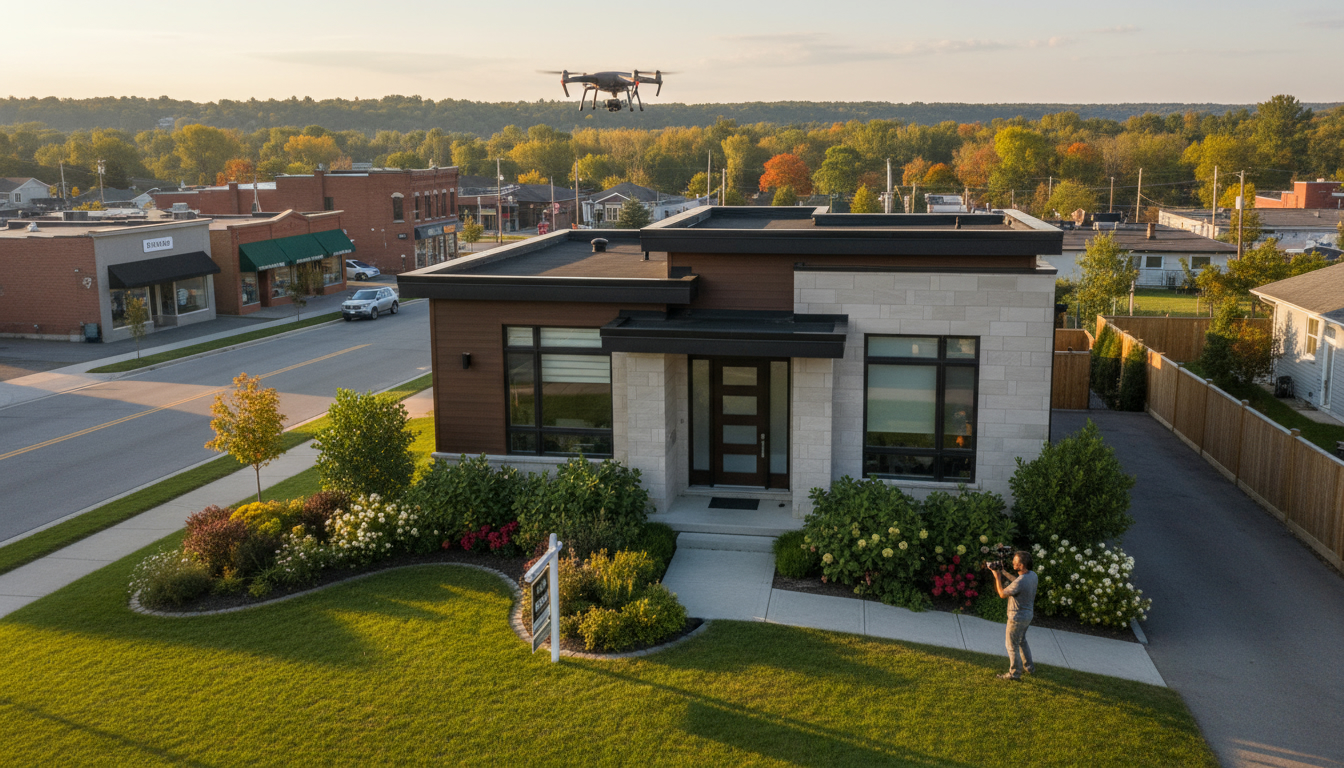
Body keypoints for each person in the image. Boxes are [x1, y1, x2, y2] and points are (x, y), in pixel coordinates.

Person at [989, 550, 1037, 681]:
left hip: (1017, 617)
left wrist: (997, 577)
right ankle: (1029, 667)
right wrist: (1004, 572)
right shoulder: (1032, 575)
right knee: (1022, 640)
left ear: (1021, 565)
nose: (1012, 562)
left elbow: (1002, 594)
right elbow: (1017, 581)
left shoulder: (1021, 581)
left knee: (1011, 645)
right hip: (1028, 615)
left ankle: (1014, 674)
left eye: (1015, 561)